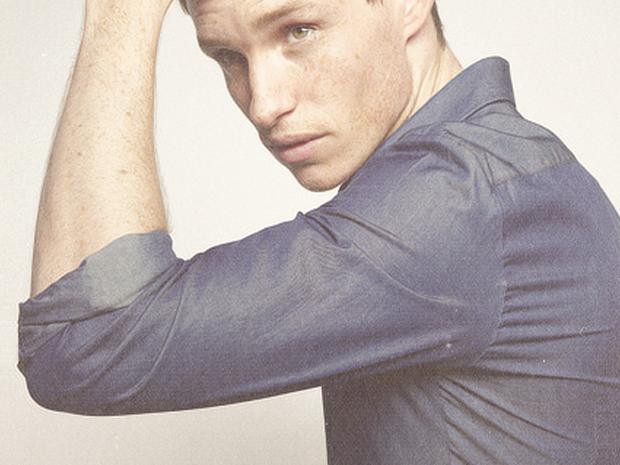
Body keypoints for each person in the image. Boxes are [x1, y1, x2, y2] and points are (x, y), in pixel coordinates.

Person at [17, 0, 620, 464]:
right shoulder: (502, 168)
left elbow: (83, 339)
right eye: (228, 56)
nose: (264, 104)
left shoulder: (454, 196)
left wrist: (119, 14)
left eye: (298, 31)